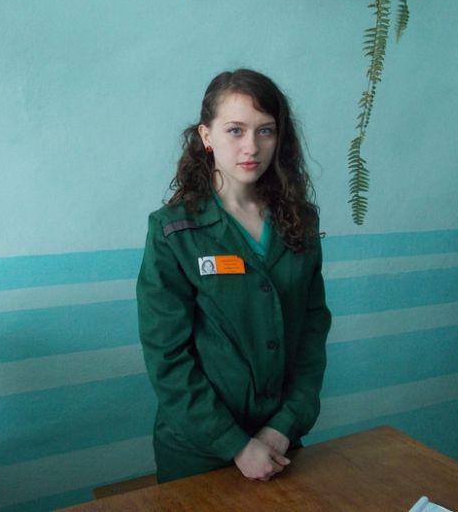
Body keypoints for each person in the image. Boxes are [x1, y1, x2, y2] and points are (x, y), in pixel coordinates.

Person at [136, 68, 331, 484]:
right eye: (235, 130)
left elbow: (312, 333)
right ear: (206, 136)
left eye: (265, 131)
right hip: (198, 449)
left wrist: (283, 426)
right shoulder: (173, 231)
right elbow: (167, 357)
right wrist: (236, 446)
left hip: (280, 440)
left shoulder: (301, 222)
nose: (251, 147)